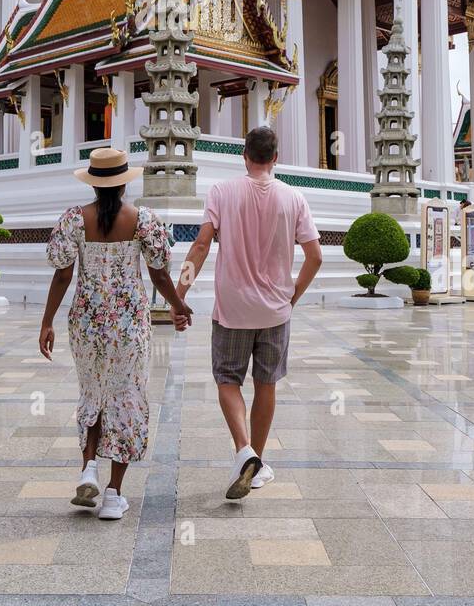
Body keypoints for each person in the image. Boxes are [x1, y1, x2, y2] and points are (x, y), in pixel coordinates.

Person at [40, 147, 191, 521]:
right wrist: (177, 305)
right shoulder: (143, 220)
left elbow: (62, 274)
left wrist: (46, 322)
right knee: (126, 398)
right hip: (127, 326)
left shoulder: (75, 220)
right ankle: (112, 494)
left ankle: (88, 466)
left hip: (86, 323)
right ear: (124, 183)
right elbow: (158, 273)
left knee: (93, 393)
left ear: (93, 183)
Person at [181, 125, 322, 500]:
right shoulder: (294, 198)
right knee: (266, 383)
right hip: (276, 311)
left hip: (232, 309)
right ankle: (255, 462)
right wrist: (292, 295)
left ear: (244, 156)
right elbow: (315, 256)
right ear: (276, 158)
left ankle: (245, 450)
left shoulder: (222, 192)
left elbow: (200, 245)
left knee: (228, 380)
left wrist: (178, 294)